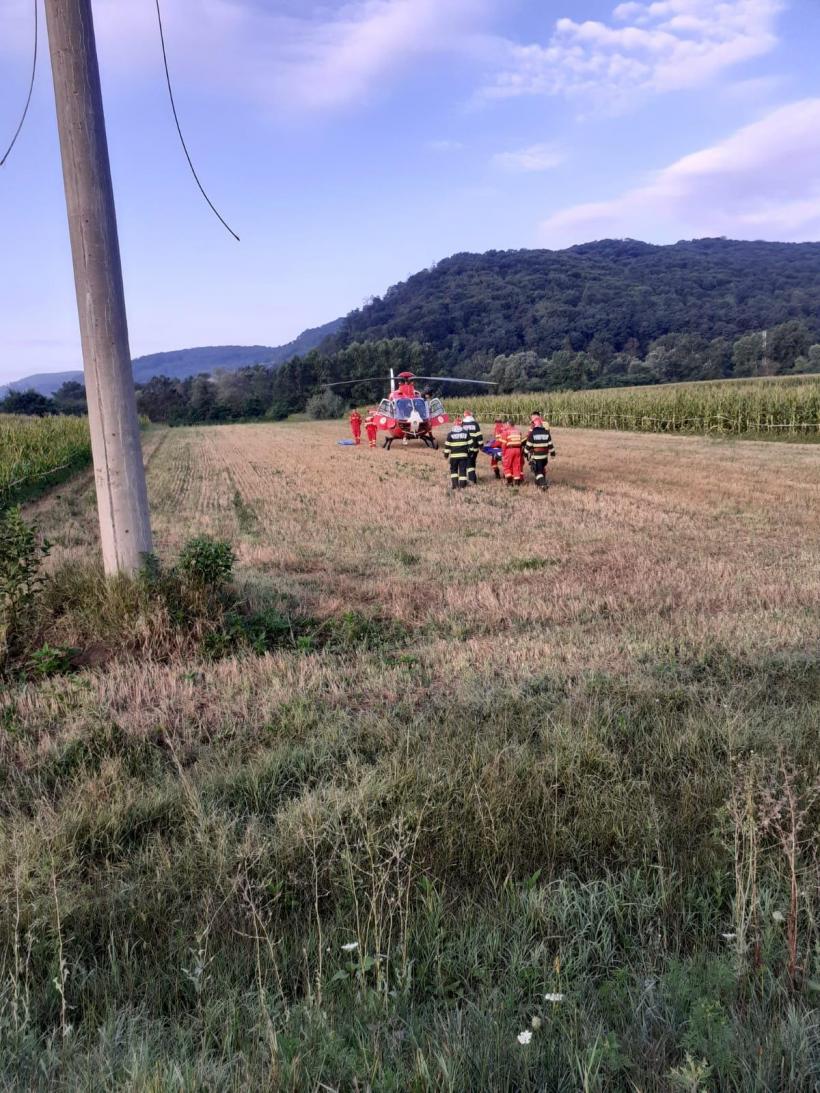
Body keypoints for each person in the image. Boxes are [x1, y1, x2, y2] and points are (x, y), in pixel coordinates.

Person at [524, 418, 557, 490]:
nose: (532, 426)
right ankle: (538, 483)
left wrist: (525, 453)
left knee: (537, 471)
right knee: (541, 470)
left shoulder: (532, 433)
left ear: (535, 425)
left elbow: (528, 445)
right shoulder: (546, 433)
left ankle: (543, 484)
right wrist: (553, 453)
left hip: (536, 457)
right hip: (544, 457)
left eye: (533, 424)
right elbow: (550, 445)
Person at [443, 418, 472, 489]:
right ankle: (462, 485)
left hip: (454, 457)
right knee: (462, 470)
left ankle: (455, 485)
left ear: (454, 424)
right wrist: (470, 453)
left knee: (453, 470)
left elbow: (447, 446)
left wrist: (446, 455)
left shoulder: (450, 434)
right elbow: (471, 445)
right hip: (463, 456)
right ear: (461, 424)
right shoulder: (466, 433)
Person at [461, 411, 484, 484]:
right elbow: (479, 435)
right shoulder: (475, 424)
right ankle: (473, 477)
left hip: (466, 447)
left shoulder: (462, 424)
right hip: (475, 447)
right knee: (472, 462)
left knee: (469, 464)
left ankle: (472, 479)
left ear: (465, 416)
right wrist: (481, 445)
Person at [501, 420, 525, 486]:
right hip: (518, 450)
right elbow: (521, 442)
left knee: (506, 466)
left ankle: (510, 482)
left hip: (509, 450)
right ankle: (517, 482)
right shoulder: (518, 432)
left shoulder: (506, 432)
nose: (505, 426)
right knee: (516, 466)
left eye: (506, 424)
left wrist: (503, 454)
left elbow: (503, 444)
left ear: (509, 424)